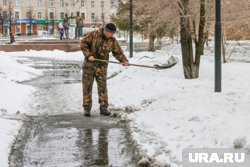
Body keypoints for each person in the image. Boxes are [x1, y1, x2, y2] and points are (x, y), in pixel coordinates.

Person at [80, 23, 129, 116]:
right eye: (111, 33)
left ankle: (103, 108)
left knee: (102, 88)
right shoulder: (93, 35)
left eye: (113, 33)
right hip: (89, 66)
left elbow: (117, 52)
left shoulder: (112, 40)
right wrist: (89, 55)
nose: (112, 35)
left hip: (102, 67)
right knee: (87, 87)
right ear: (106, 31)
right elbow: (83, 44)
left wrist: (124, 60)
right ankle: (87, 108)